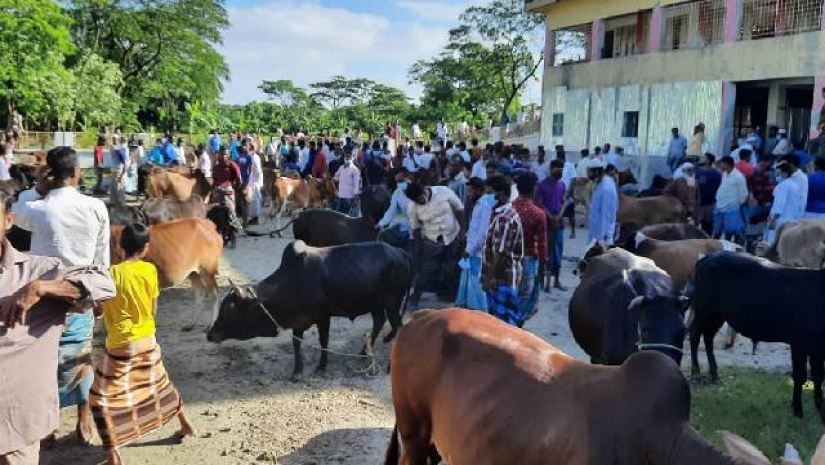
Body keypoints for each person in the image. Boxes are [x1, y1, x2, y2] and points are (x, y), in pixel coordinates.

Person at [0, 190, 115, 465]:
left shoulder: (37, 270)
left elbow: (104, 283)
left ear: (8, 221)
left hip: (13, 428)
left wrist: (45, 288)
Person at [91, 223, 196, 465]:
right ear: (146, 248)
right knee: (160, 383)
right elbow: (153, 309)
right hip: (148, 339)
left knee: (99, 397)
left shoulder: (109, 274)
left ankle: (113, 454)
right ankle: (185, 424)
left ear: (119, 246)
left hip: (121, 344)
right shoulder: (150, 270)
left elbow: (98, 307)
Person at [406, 181, 465, 308]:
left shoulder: (444, 191)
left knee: (450, 267)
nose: (419, 203)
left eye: (419, 199)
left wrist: (463, 232)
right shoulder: (412, 207)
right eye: (416, 201)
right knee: (428, 270)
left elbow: (459, 209)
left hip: (452, 235)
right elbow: (415, 229)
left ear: (424, 191)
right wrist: (418, 248)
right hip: (432, 240)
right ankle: (415, 297)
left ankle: (447, 295)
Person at [482, 176, 525, 327]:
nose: (488, 197)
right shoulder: (503, 214)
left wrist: (489, 278)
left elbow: (500, 253)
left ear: (500, 194)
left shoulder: (505, 219)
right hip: (501, 277)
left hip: (502, 278)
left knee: (504, 325)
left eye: (490, 193)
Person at [511, 173, 547, 324]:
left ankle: (509, 319)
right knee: (526, 293)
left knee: (511, 290)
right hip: (528, 258)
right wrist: (543, 265)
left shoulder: (508, 209)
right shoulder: (538, 213)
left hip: (508, 257)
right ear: (533, 189)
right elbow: (543, 244)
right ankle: (517, 322)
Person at [455, 177, 494, 311]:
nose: (469, 193)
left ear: (479, 190)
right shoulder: (478, 204)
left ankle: (480, 312)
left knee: (477, 284)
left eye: (471, 191)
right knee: (469, 281)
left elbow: (483, 233)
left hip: (477, 251)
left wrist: (470, 250)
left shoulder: (485, 205)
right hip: (471, 248)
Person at [536, 160, 567, 291]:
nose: (560, 171)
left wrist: (560, 214)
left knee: (558, 252)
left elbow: (564, 201)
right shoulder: (541, 185)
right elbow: (539, 203)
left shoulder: (562, 184)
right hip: (546, 223)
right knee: (545, 252)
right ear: (551, 169)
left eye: (562, 168)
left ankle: (556, 280)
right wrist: (549, 216)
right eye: (558, 168)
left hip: (558, 223)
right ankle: (542, 280)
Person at [764, 161, 804, 243]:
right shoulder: (795, 185)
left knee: (772, 243)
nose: (776, 175)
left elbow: (779, 205)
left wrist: (773, 220)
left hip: (780, 220)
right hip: (791, 220)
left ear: (784, 173)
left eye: (778, 172)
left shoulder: (782, 186)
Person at [212, 146, 243, 247]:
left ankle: (232, 236)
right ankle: (222, 237)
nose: (223, 155)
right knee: (216, 215)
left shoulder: (232, 166)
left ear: (229, 154)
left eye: (225, 154)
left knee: (231, 214)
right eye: (221, 153)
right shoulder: (216, 167)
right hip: (217, 191)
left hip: (228, 191)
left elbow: (239, 180)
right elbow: (214, 181)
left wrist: (233, 188)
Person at [713, 156, 749, 242]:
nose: (720, 166)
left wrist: (736, 204)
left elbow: (744, 194)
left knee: (731, 233)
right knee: (717, 231)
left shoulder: (739, 177)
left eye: (722, 164)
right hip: (720, 206)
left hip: (731, 209)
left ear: (727, 164)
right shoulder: (724, 174)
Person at [377, 169, 412, 247]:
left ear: (407, 178)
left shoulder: (416, 189)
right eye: (398, 181)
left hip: (422, 226)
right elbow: (391, 211)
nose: (400, 183)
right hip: (407, 225)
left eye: (401, 180)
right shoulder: (397, 193)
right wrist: (381, 223)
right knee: (383, 235)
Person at [587, 162, 618, 245]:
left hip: (602, 236)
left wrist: (601, 238)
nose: (587, 174)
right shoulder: (600, 183)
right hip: (596, 232)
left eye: (589, 172)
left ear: (597, 172)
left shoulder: (606, 187)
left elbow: (606, 214)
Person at [695, 153, 722, 234]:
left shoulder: (697, 171)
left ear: (707, 160)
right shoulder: (717, 173)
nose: (700, 157)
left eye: (703, 157)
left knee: (696, 226)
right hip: (710, 203)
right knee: (707, 226)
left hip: (700, 204)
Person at [746, 153, 776, 224]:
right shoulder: (758, 171)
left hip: (759, 200)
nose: (770, 165)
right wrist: (773, 188)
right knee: (754, 222)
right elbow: (758, 190)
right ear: (764, 161)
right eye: (769, 163)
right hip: (759, 201)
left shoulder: (760, 170)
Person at [247, 148, 264, 226]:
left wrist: (256, 181)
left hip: (254, 181)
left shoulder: (254, 157)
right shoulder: (254, 156)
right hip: (254, 180)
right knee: (254, 199)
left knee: (255, 199)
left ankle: (255, 218)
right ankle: (254, 217)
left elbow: (257, 170)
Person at [110, 137, 129, 204]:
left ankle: (113, 206)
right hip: (120, 171)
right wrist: (123, 174)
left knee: (113, 191)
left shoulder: (114, 148)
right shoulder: (124, 149)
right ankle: (121, 208)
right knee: (120, 191)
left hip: (113, 170)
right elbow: (126, 163)